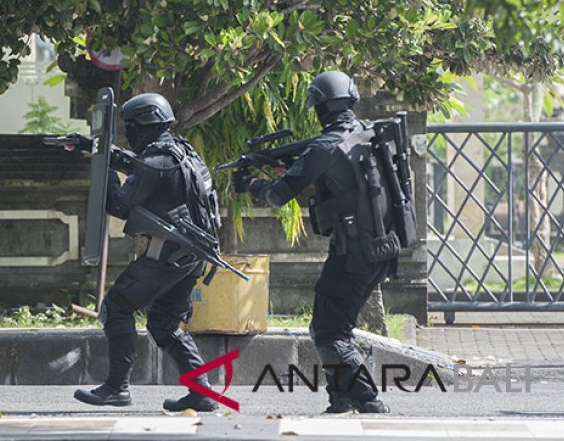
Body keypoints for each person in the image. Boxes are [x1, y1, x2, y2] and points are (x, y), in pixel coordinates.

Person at [232, 71, 395, 414]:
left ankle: (368, 400)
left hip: (352, 252)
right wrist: (294, 167)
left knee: (328, 330)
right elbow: (343, 184)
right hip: (381, 249)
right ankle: (341, 400)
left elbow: (278, 196)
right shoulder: (367, 135)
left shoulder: (324, 146)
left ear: (319, 107)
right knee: (333, 325)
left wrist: (249, 183)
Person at [67, 93, 219, 412]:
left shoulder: (156, 160)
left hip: (167, 252)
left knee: (116, 306)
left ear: (142, 125)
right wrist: (91, 146)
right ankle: (202, 392)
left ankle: (116, 388)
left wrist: (103, 166)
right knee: (163, 323)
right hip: (193, 253)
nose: (129, 132)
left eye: (131, 126)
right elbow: (140, 165)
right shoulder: (182, 151)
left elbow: (119, 205)